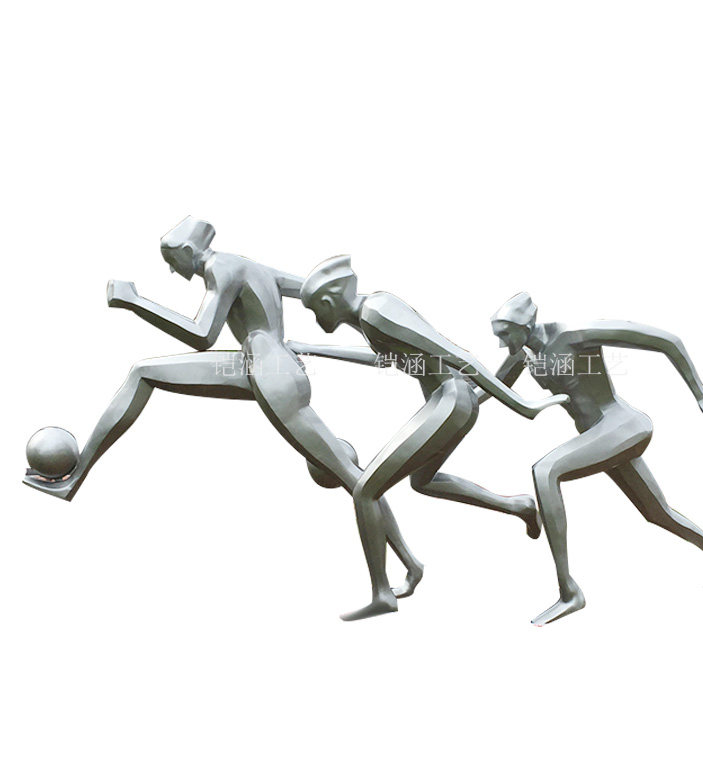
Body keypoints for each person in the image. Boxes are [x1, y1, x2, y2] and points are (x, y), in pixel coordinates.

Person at [23, 218, 423, 602]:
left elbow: (201, 335)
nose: (172, 269)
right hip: (257, 365)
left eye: (171, 259)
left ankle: (403, 569)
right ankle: (74, 479)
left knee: (353, 478)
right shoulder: (248, 264)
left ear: (187, 250)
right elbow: (308, 289)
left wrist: (135, 302)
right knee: (142, 372)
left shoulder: (220, 267)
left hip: (270, 373)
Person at [295, 256, 568, 620]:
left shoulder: (377, 310)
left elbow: (455, 353)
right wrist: (312, 348)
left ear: (329, 302)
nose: (318, 319)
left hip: (450, 402)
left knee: (365, 490)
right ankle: (518, 506)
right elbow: (383, 360)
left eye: (315, 310)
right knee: (422, 482)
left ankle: (383, 593)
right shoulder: (368, 318)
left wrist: (521, 405)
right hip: (447, 402)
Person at [485, 292, 703, 625]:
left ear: (526, 324)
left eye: (505, 334)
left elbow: (666, 340)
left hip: (623, 426)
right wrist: (447, 388)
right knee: (656, 512)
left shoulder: (574, 335)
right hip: (598, 437)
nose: (501, 344)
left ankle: (569, 592)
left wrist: (702, 395)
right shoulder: (524, 354)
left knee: (546, 471)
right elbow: (490, 387)